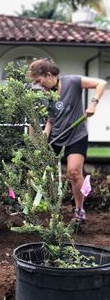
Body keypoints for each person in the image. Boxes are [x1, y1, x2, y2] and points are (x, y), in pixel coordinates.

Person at [29, 58, 107, 223]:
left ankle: (79, 209)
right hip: (56, 137)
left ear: (49, 75)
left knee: (73, 173)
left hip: (76, 135)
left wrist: (93, 104)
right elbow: (50, 121)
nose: (38, 84)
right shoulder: (45, 96)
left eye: (38, 80)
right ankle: (45, 206)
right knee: (39, 168)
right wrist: (44, 137)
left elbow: (100, 83)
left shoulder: (72, 81)